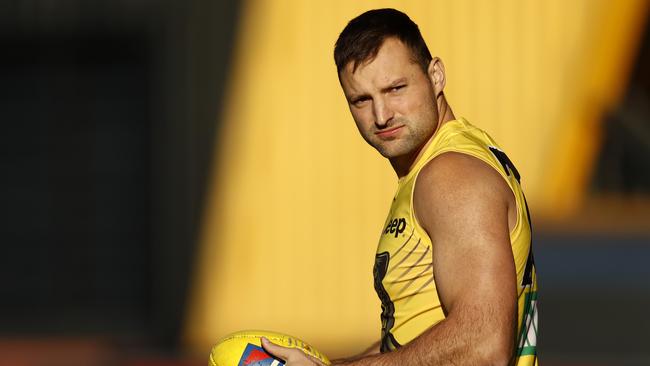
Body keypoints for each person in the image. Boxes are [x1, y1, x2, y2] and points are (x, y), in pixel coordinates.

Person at [262, 8, 538, 366]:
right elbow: (414, 341)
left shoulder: (451, 176)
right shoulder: (444, 161)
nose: (381, 115)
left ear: (435, 75)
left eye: (395, 89)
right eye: (361, 100)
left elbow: (483, 347)